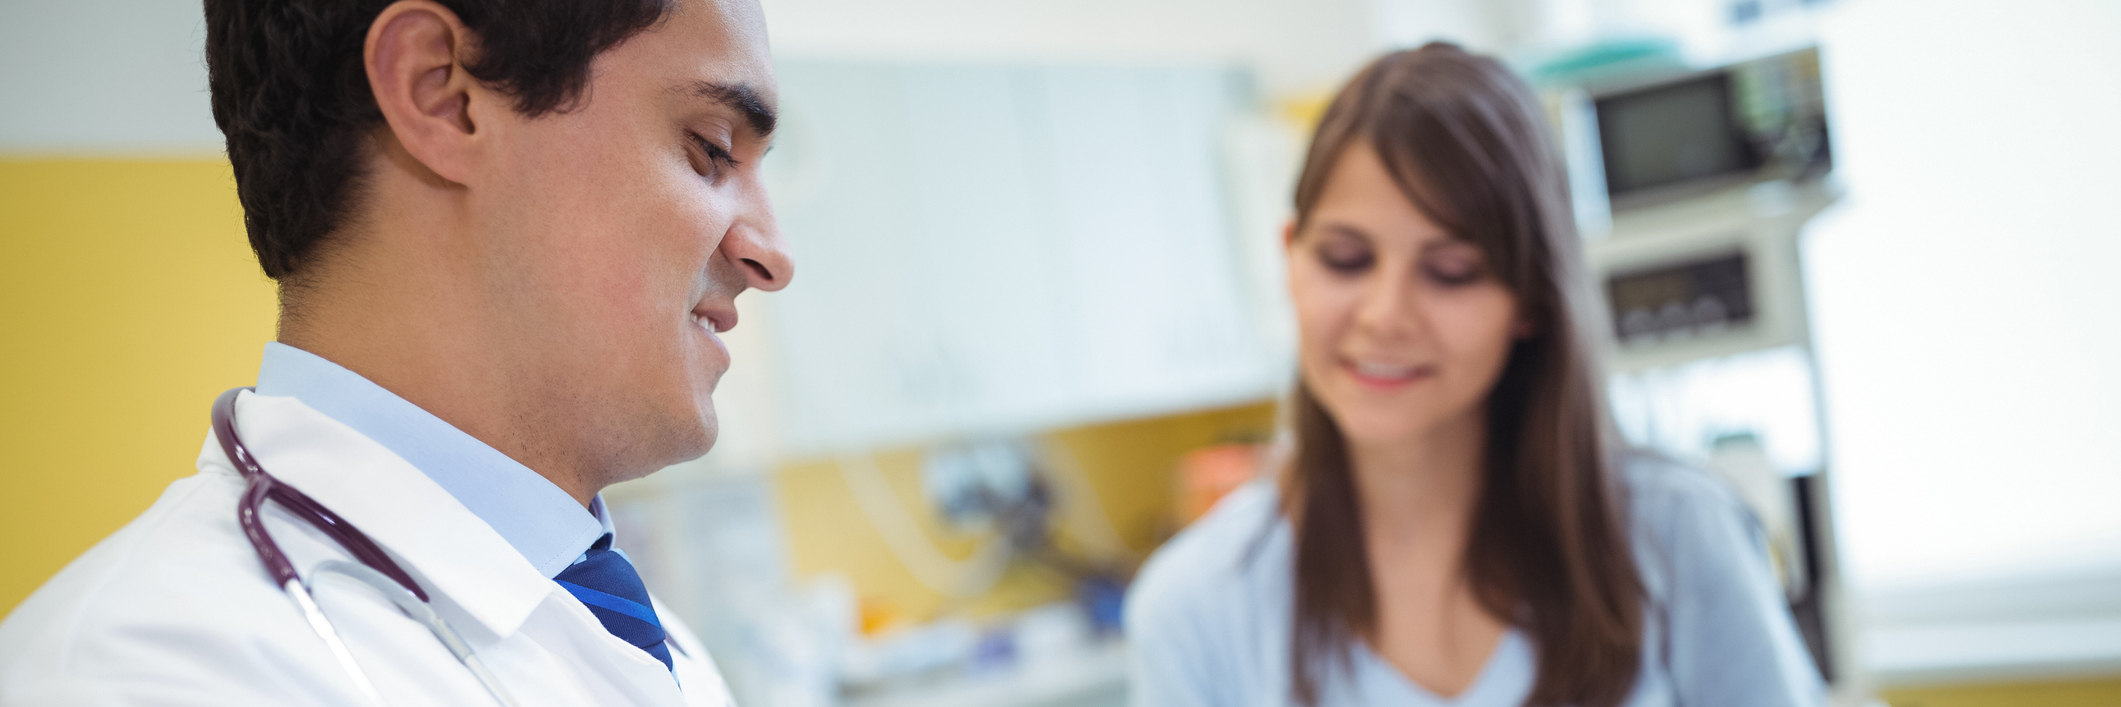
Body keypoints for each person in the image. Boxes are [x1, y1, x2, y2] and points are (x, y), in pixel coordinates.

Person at [0, 0, 789, 704]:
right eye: (711, 148)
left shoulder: (642, 636)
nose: (772, 255)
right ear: (440, 93)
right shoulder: (135, 675)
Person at [1125, 44, 1823, 707]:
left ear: (1529, 298)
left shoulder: (1674, 532)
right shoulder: (1196, 606)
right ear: (1290, 257)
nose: (1384, 315)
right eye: (1344, 259)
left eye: (1450, 271)